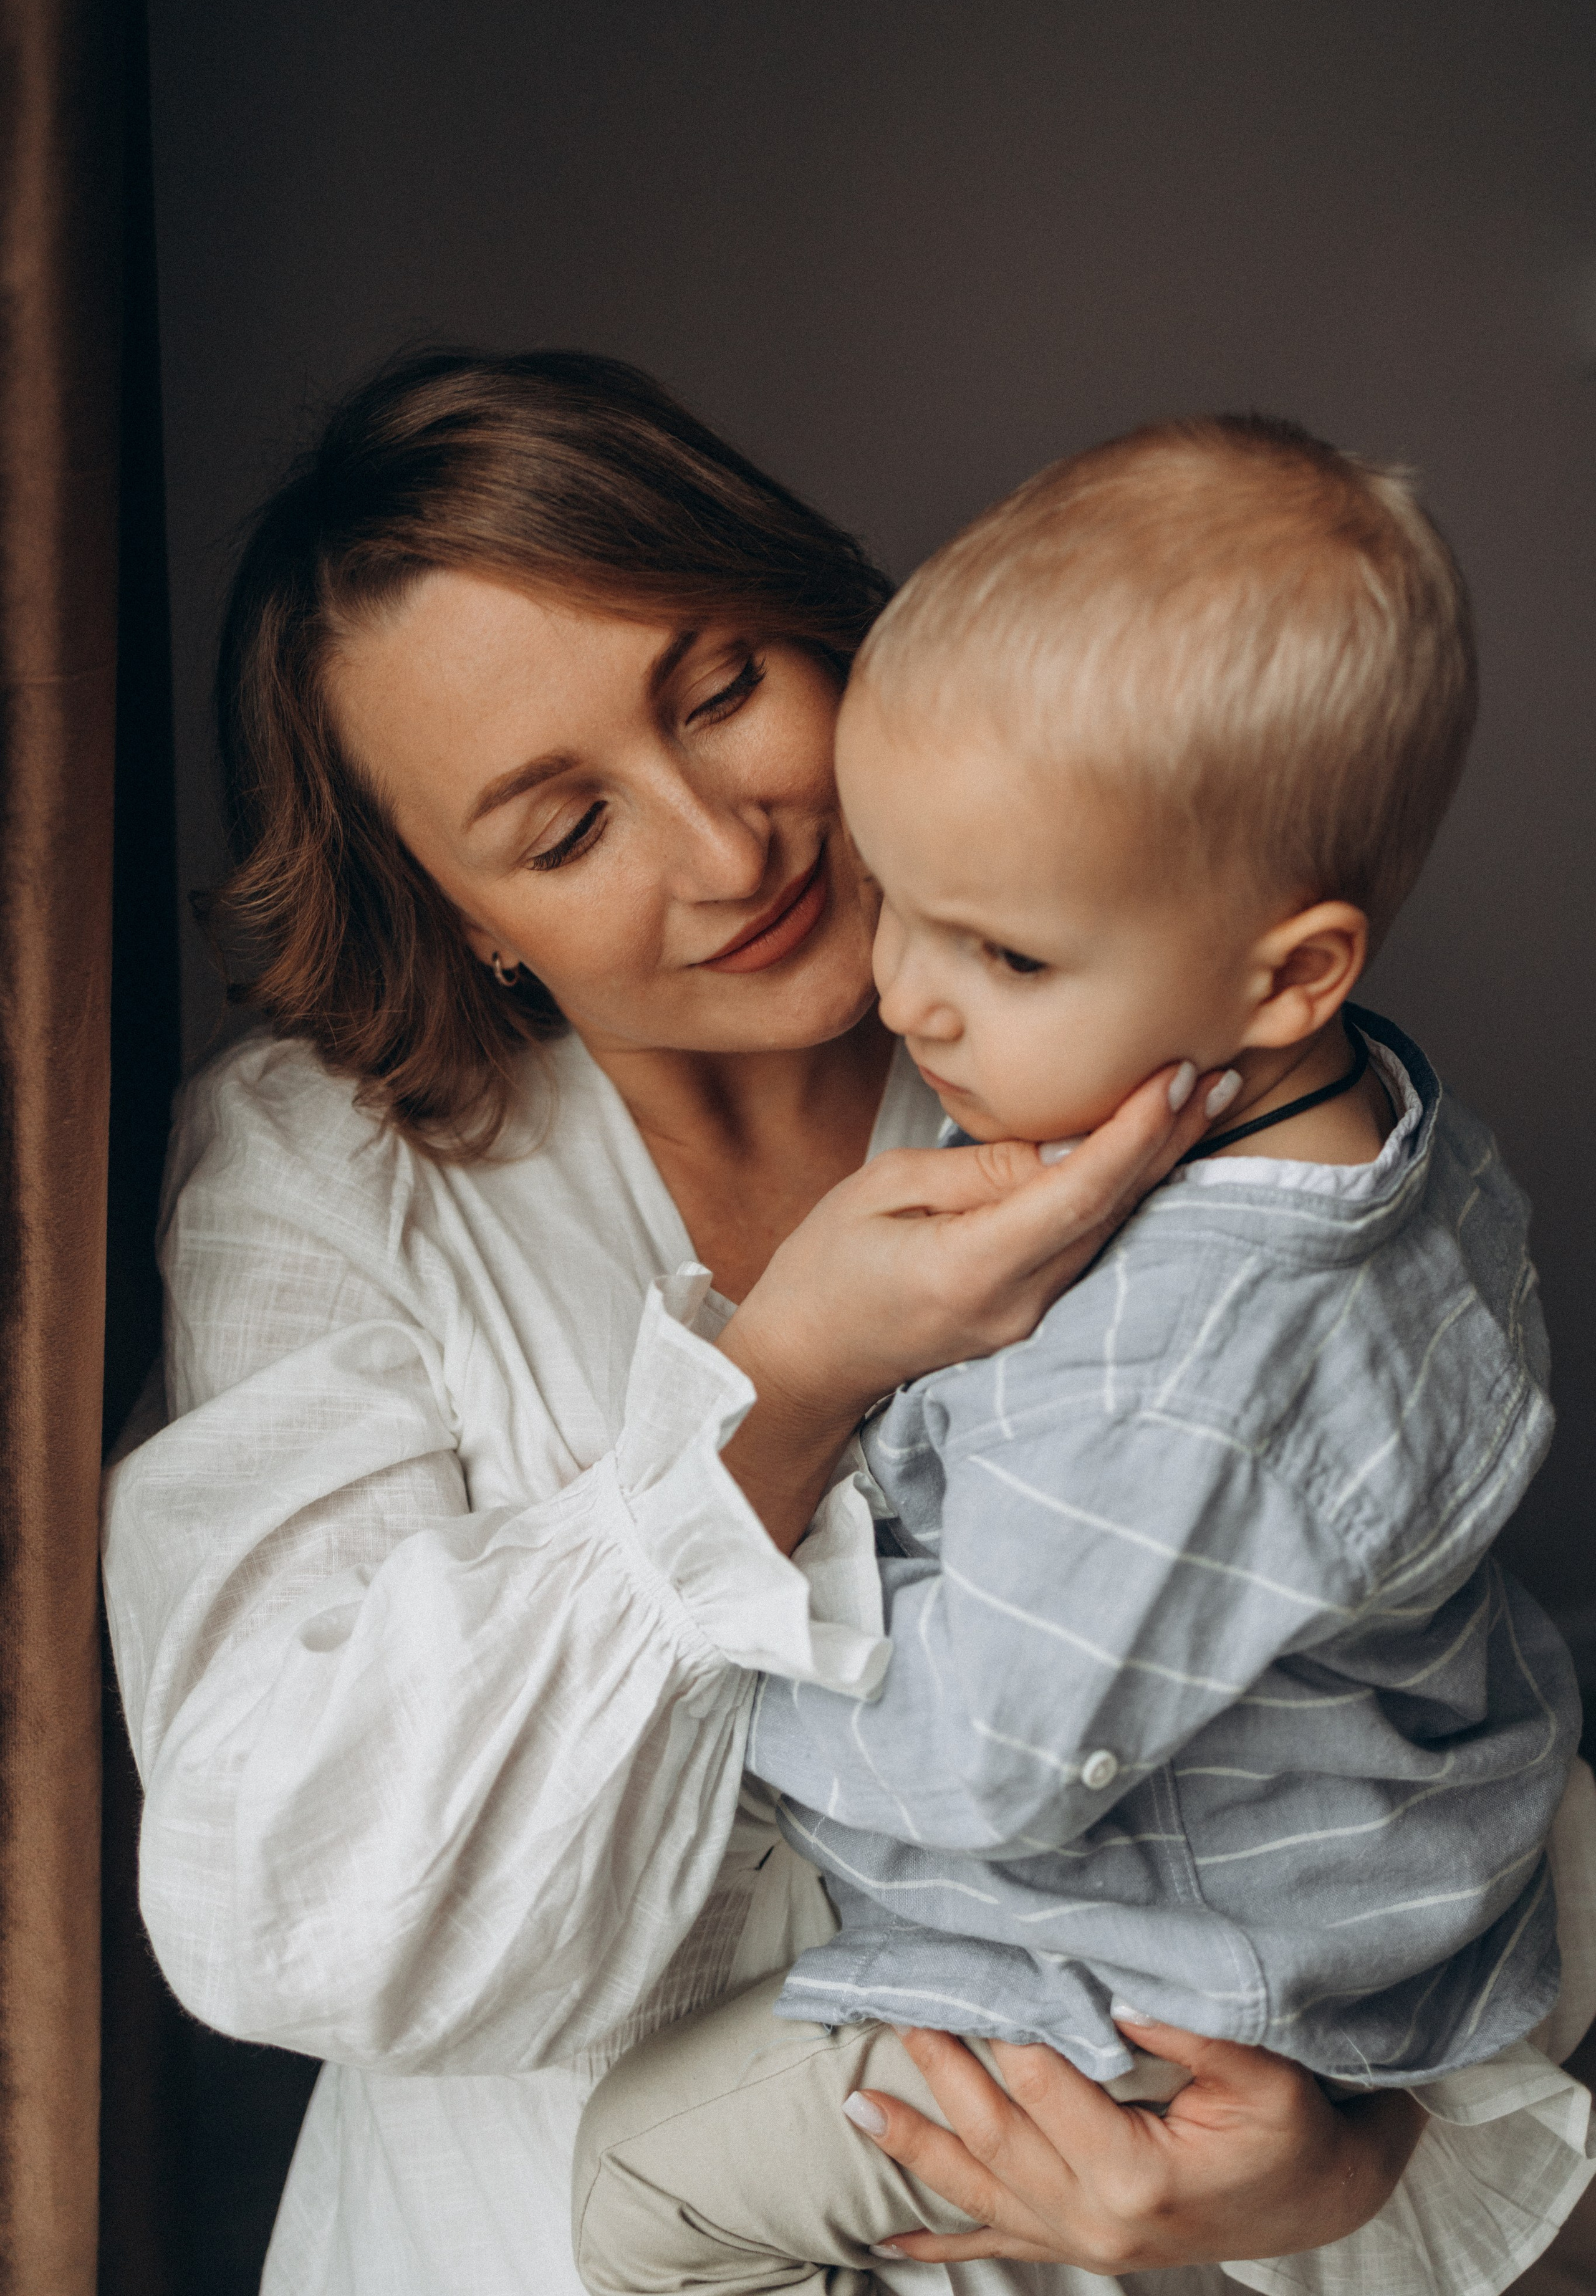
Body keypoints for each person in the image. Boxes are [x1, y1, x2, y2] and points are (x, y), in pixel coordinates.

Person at [100, 353, 1596, 2296]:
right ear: (463, 910)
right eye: (565, 831)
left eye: (723, 688)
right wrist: (782, 1386)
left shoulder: (1139, 1028)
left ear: (823, 625)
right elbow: (276, 1902)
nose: (729, 853)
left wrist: (1355, 2154)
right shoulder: (330, 1173)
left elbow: (1411, 1700)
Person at [567, 418, 1585, 2296]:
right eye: (897, 896)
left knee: (638, 2186)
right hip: (1383, 1846)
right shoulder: (1379, 1134)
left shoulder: (1165, 1367)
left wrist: (714, 1651)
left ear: (1291, 974)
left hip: (1176, 1974)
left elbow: (982, 1768)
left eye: (1008, 958)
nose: (906, 992)